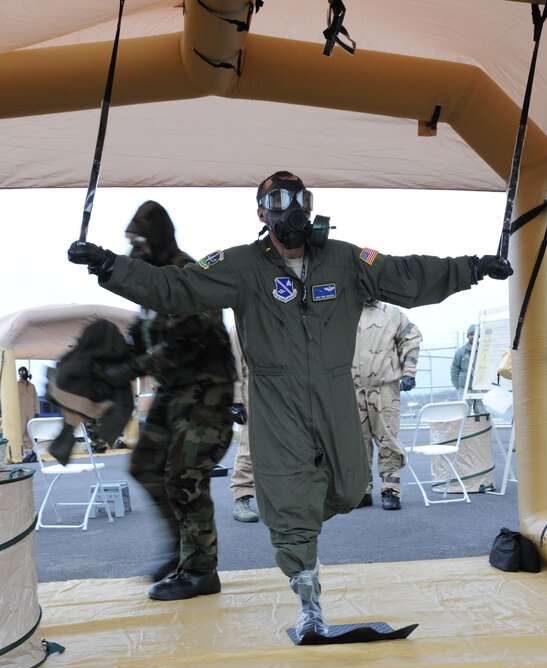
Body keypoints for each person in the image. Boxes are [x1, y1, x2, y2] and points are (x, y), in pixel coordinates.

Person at [68, 170, 513, 640]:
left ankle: (301, 520)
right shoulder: (239, 266)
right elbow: (176, 288)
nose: (291, 209)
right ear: (262, 213)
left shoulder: (345, 260)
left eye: (299, 199)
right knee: (286, 494)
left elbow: (407, 275)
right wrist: (109, 265)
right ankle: (307, 595)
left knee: (350, 486)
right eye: (278, 201)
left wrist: (475, 267)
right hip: (275, 397)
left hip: (335, 389)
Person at [98, 201, 236, 599]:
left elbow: (182, 344)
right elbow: (145, 333)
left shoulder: (186, 277)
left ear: (158, 239)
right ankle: (182, 550)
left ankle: (200, 571)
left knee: (184, 475)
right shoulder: (151, 281)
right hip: (175, 392)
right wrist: (115, 352)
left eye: (140, 240)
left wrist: (127, 370)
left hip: (206, 395)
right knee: (144, 466)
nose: (134, 248)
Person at [352, 300, 422, 511]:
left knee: (387, 439)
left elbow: (411, 338)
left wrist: (409, 372)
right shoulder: (347, 311)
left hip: (384, 388)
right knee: (357, 441)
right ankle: (362, 490)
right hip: (352, 388)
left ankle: (390, 489)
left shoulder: (392, 313)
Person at [229, 324, 260, 523]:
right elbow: (233, 363)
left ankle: (280, 500)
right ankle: (242, 498)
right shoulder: (241, 324)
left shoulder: (281, 317)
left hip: (281, 392)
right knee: (249, 447)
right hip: (252, 392)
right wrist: (235, 400)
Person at [451, 324, 486, 414]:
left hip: (480, 387)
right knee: (464, 412)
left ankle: (480, 427)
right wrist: (458, 385)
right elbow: (454, 369)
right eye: (471, 334)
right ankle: (465, 428)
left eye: (475, 334)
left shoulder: (483, 350)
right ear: (467, 336)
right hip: (465, 387)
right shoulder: (461, 352)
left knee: (481, 411)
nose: (473, 336)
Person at [17, 366, 40, 456]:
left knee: (30, 432)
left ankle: (29, 452)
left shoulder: (32, 386)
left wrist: (37, 411)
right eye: (22, 372)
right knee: (20, 431)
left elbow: (36, 399)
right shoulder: (16, 385)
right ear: (19, 374)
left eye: (25, 372)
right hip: (20, 413)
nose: (24, 374)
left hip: (30, 413)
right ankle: (19, 452)